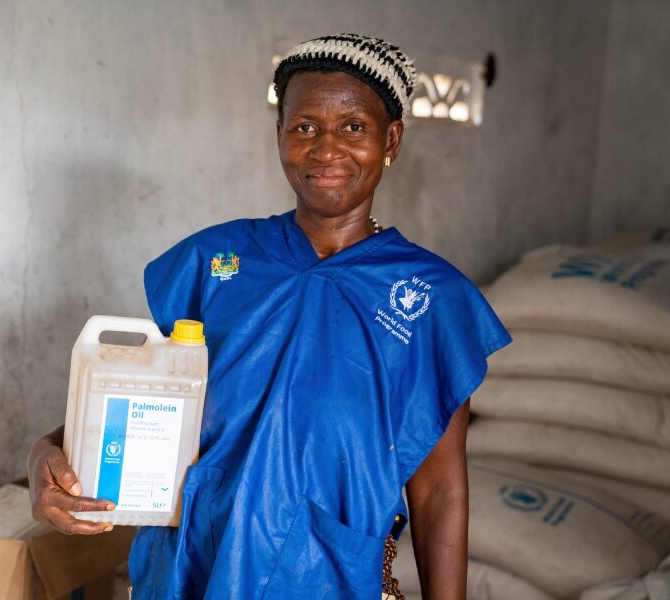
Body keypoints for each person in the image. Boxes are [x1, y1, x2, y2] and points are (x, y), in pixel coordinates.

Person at [28, 33, 511, 599]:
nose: (327, 149)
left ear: (392, 139)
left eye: (354, 126)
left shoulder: (431, 298)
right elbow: (139, 403)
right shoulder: (216, 262)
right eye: (305, 126)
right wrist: (44, 455)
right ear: (279, 135)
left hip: (328, 576)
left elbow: (439, 491)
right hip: (190, 570)